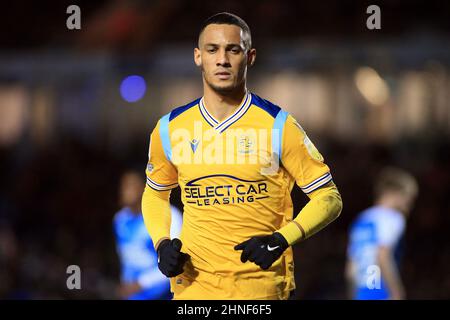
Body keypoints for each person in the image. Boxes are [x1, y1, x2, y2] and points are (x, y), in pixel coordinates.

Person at [142, 12, 343, 300]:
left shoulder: (279, 125)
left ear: (249, 57)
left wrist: (281, 240)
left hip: (261, 292)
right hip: (194, 292)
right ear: (198, 56)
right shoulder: (168, 129)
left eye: (233, 50)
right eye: (213, 49)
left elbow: (329, 198)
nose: (222, 59)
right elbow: (155, 195)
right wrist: (161, 243)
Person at [346, 167, 418, 300]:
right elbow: (382, 254)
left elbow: (351, 268)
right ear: (396, 194)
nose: (410, 205)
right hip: (380, 291)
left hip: (361, 292)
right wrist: (396, 292)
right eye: (409, 198)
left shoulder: (362, 219)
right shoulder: (393, 218)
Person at [113, 169, 182, 300]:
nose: (125, 191)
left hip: (164, 295)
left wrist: (141, 283)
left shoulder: (170, 215)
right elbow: (127, 260)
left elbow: (175, 262)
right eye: (123, 186)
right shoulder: (120, 220)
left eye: (130, 185)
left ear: (144, 187)